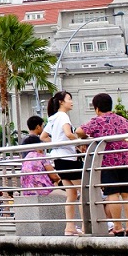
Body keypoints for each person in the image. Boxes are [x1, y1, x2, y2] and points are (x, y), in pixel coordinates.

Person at [77, 93, 128, 236]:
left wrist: (87, 138)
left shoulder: (97, 121)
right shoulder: (123, 120)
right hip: (126, 160)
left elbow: (79, 131)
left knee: (113, 194)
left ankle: (117, 226)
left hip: (108, 162)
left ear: (96, 108)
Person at [42, 91, 83, 235]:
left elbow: (43, 136)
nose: (71, 102)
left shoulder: (52, 118)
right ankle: (85, 227)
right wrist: (80, 143)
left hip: (58, 160)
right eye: (69, 99)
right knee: (84, 191)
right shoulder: (63, 116)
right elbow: (68, 133)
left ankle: (69, 227)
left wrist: (56, 143)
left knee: (71, 195)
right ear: (61, 101)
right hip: (68, 159)